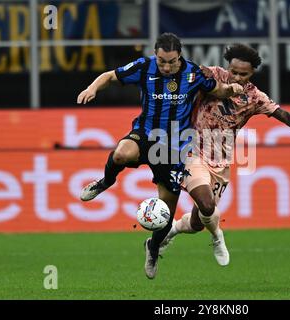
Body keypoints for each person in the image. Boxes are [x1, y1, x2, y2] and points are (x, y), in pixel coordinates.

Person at [77, 33, 243, 279]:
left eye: (171, 61)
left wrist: (231, 89)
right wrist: (92, 88)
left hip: (173, 151)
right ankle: (105, 182)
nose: (166, 67)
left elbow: (217, 89)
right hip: (146, 134)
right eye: (162, 61)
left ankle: (153, 248)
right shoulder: (144, 66)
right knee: (122, 153)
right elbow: (110, 76)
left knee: (165, 212)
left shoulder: (193, 73)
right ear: (155, 54)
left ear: (180, 56)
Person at [158, 44, 290, 266]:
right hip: (192, 151)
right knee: (208, 206)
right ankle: (218, 236)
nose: (236, 77)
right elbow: (186, 72)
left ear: (252, 73)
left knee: (199, 221)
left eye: (242, 74)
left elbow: (282, 114)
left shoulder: (255, 97)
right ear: (228, 67)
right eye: (233, 71)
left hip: (221, 160)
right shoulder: (214, 75)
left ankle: (173, 230)